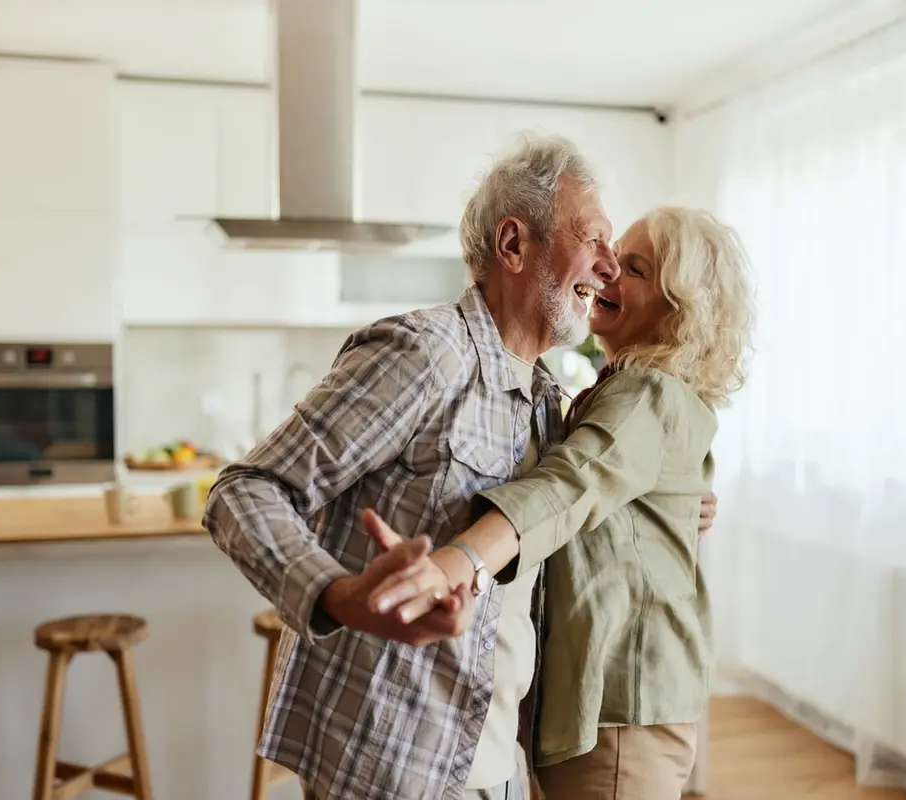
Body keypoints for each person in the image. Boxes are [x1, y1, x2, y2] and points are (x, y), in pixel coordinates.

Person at [203, 134, 719, 800]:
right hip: (397, 764)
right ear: (513, 245)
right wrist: (338, 595)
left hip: (498, 759)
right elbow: (243, 490)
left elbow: (567, 507)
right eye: (593, 238)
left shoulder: (545, 400)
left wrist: (676, 508)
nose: (609, 264)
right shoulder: (425, 354)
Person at [366, 205, 755, 799]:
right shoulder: (617, 390)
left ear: (678, 309)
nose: (606, 270)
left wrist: (458, 561)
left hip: (621, 710)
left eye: (635, 268)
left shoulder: (646, 393)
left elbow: (568, 486)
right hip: (611, 706)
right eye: (611, 255)